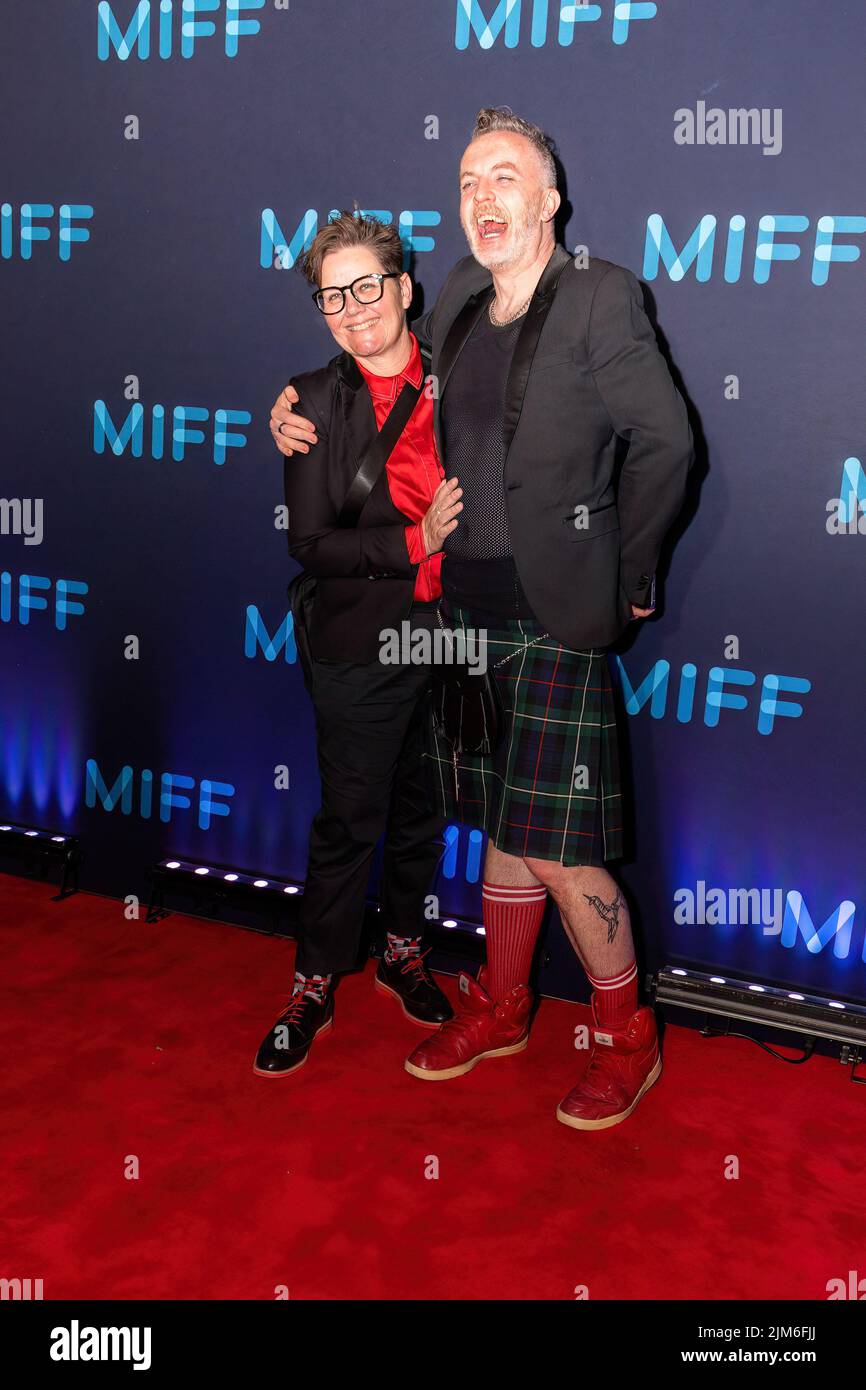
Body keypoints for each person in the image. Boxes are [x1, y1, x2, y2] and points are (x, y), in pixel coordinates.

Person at [271, 108, 694, 1130]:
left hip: (552, 617)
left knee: (560, 846)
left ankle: (625, 1036)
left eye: (505, 177)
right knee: (504, 824)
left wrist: (630, 569)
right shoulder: (456, 296)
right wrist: (295, 406)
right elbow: (376, 365)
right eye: (468, 181)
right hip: (460, 615)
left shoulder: (600, 297)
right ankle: (503, 1006)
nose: (483, 197)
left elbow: (667, 441)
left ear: (548, 199)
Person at [254, 210, 462, 1078]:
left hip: (451, 637)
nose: (352, 307)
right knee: (350, 818)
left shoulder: (467, 374)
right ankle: (312, 979)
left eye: (367, 285)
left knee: (423, 803)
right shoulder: (307, 401)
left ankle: (403, 948)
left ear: (405, 289)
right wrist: (412, 544)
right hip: (355, 645)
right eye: (332, 295)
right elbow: (311, 545)